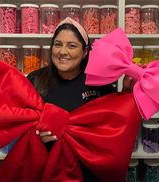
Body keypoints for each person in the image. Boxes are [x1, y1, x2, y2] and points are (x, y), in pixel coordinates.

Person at [27, 17, 134, 181]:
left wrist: (127, 93)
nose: (63, 52)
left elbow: (111, 122)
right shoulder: (35, 80)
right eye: (58, 44)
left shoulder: (99, 80)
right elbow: (21, 126)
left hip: (88, 169)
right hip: (47, 168)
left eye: (72, 46)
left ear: (85, 52)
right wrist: (35, 135)